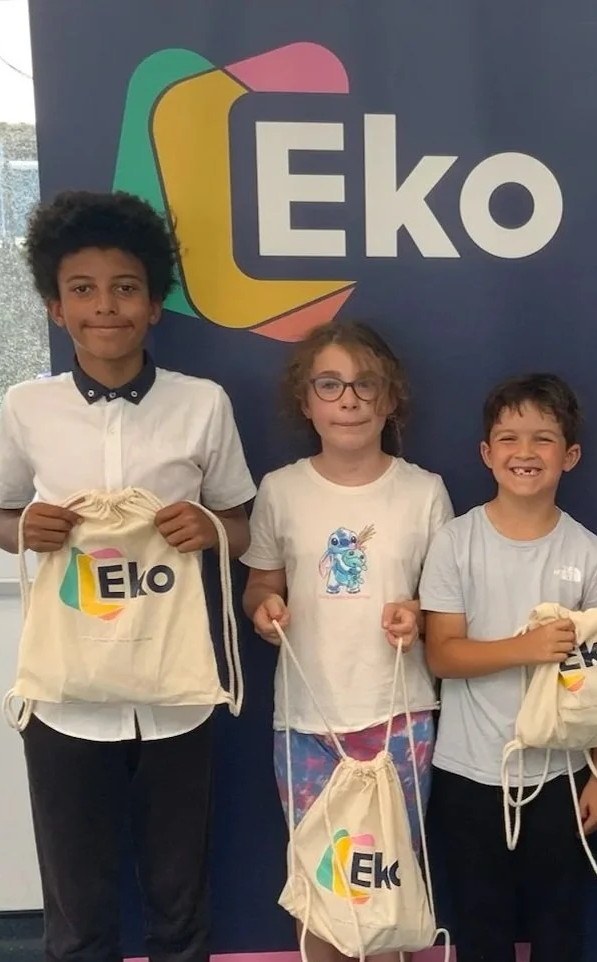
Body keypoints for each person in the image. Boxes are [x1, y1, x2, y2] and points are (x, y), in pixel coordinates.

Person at [0, 190, 255, 962]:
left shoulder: (201, 405)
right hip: (65, 693)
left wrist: (207, 529)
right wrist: (22, 532)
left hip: (175, 692)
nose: (106, 307)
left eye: (126, 288)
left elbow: (241, 523)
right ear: (54, 307)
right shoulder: (27, 407)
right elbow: (1, 517)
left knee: (179, 894)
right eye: (83, 290)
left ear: (156, 304)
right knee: (78, 898)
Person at [241, 319, 452, 962]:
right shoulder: (280, 490)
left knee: (381, 880)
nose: (350, 399)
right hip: (307, 721)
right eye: (330, 385)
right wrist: (264, 608)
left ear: (390, 400)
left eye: (366, 384)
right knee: (320, 882)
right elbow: (258, 588)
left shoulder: (423, 493)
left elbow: (444, 608)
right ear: (306, 401)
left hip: (399, 717)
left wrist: (415, 613)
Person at [419, 373, 597, 962]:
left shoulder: (588, 553)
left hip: (560, 777)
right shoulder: (456, 542)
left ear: (571, 455)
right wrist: (525, 647)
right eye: (508, 439)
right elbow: (443, 654)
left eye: (543, 439)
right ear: (486, 453)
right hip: (469, 775)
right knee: (482, 928)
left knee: (561, 927)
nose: (525, 453)